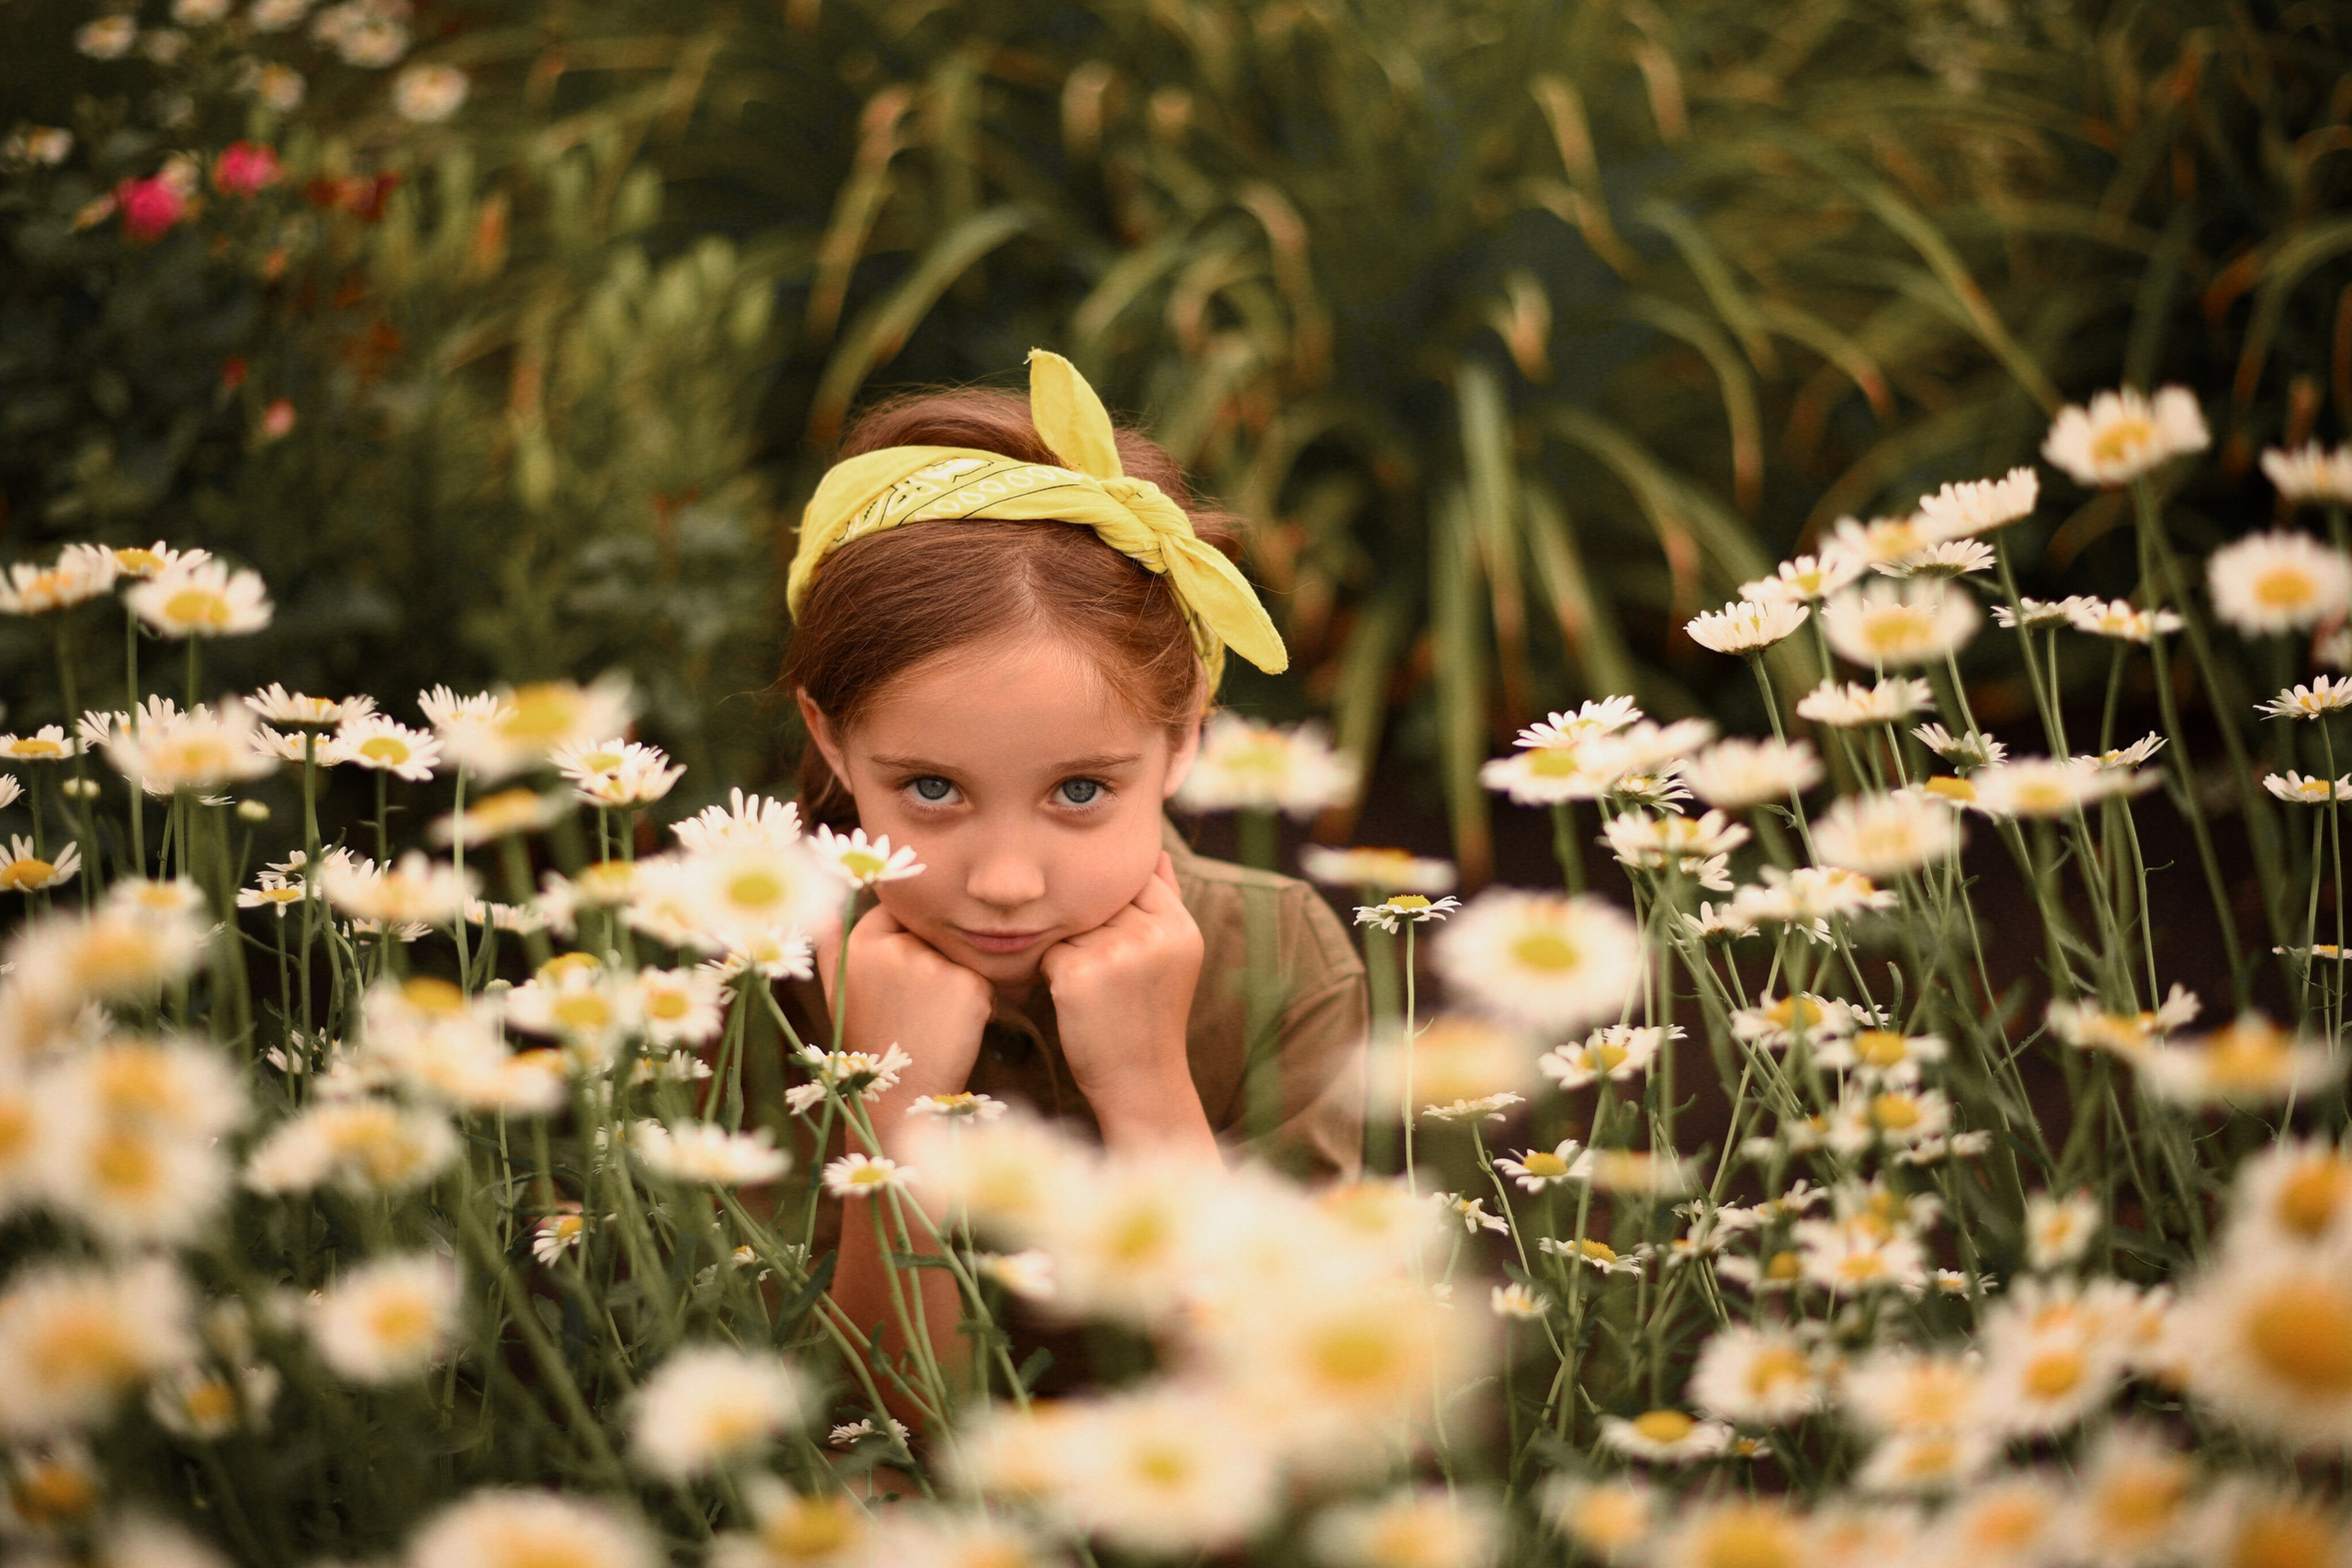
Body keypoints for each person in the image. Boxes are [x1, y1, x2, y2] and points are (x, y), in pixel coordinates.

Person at [778, 350, 1367, 1425]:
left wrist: (1148, 1092)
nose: (1005, 883)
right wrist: (888, 1110)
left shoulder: (1281, 954)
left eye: (1080, 790)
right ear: (830, 738)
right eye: (932, 789)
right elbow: (873, 1439)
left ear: (1184, 738)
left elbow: (1288, 1412)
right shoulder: (763, 978)